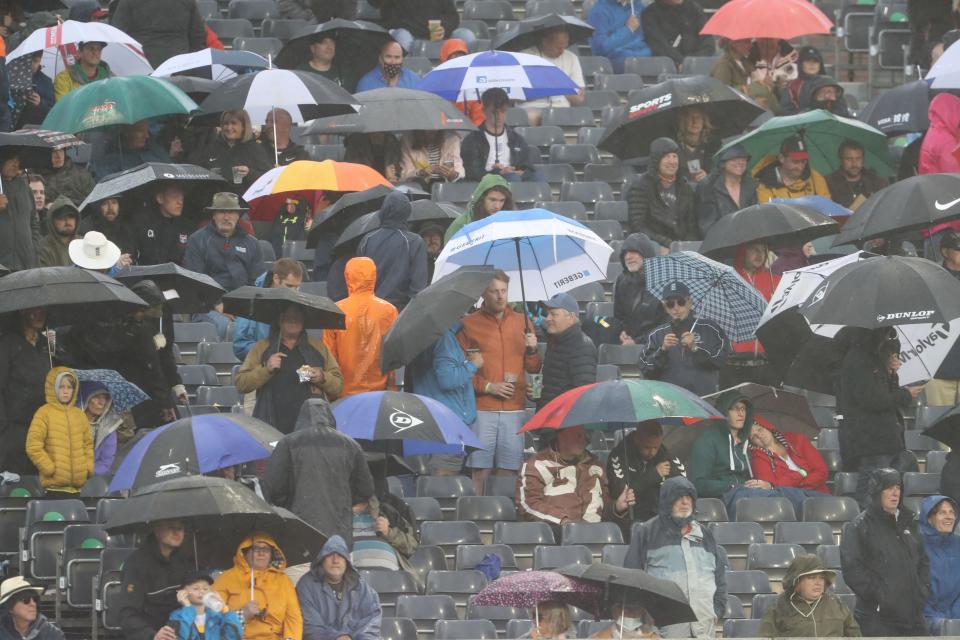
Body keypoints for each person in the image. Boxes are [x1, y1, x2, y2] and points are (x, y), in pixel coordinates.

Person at [459, 270, 541, 495]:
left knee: (510, 469)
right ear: (483, 293)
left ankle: (504, 516)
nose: (500, 296)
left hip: (515, 409)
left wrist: (533, 349)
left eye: (503, 291)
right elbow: (460, 371)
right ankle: (479, 515)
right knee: (480, 469)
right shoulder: (468, 324)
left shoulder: (523, 322)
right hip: (482, 408)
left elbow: (533, 367)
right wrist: (488, 386)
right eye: (494, 291)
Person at [623, 476, 726, 638]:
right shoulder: (646, 532)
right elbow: (630, 583)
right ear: (666, 501)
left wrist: (716, 611)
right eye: (678, 497)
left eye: (689, 497)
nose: (685, 502)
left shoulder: (705, 535)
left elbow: (719, 579)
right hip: (662, 632)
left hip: (704, 631)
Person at [265, 398, 375, 544]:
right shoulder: (351, 445)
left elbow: (273, 488)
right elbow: (365, 490)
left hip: (298, 529)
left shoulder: (287, 443)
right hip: (339, 532)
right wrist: (343, 503)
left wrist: (290, 505)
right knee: (335, 565)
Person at [835, 327, 920, 506]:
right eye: (886, 334)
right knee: (871, 492)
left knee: (890, 493)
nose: (888, 339)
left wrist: (891, 373)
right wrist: (906, 395)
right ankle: (866, 529)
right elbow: (872, 400)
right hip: (870, 441)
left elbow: (886, 394)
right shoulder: (857, 359)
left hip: (888, 438)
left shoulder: (875, 358)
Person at [840, 468, 930, 636]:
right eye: (889, 488)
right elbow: (853, 570)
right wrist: (883, 596)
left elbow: (923, 562)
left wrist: (921, 591)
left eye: (898, 487)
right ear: (876, 491)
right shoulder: (858, 527)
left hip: (913, 615)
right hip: (877, 618)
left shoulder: (909, 523)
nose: (895, 493)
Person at [236, 305, 344, 435]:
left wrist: (322, 377)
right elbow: (241, 384)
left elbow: (338, 385)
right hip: (271, 426)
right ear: (280, 319)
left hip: (311, 429)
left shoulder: (318, 347)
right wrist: (266, 369)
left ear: (304, 320)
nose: (293, 321)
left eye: (298, 317)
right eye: (289, 317)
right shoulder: (262, 347)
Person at [409, 319, 480, 475]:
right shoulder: (444, 337)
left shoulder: (418, 337)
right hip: (450, 422)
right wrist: (473, 364)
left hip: (425, 418)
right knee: (444, 482)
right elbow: (448, 380)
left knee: (426, 481)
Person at [517, 425, 614, 537]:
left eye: (586, 435)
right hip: (555, 536)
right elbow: (528, 504)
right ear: (560, 435)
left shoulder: (596, 466)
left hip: (596, 536)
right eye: (578, 435)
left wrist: (617, 507)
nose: (584, 440)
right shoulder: (535, 466)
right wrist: (562, 521)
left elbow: (605, 505)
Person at [323, 257, 398, 397]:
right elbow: (393, 354)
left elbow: (329, 355)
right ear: (374, 276)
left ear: (347, 276)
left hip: (343, 392)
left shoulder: (335, 311)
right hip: (379, 391)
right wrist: (391, 386)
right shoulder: (389, 310)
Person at [639, 281, 728, 396]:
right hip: (671, 399)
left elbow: (720, 362)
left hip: (704, 398)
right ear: (665, 307)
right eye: (670, 304)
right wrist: (662, 350)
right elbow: (646, 369)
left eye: (680, 302)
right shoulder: (656, 334)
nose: (676, 308)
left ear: (690, 303)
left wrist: (695, 348)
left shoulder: (711, 329)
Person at [212, 533, 302, 640]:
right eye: (255, 549)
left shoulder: (283, 580)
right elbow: (212, 618)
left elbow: (293, 618)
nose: (261, 553)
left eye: (266, 550)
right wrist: (242, 615)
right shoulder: (226, 578)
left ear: (272, 554)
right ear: (244, 552)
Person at [607, 419, 684, 538]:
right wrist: (653, 475)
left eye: (656, 447)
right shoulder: (619, 456)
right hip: (630, 520)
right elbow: (621, 493)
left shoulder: (665, 456)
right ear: (637, 439)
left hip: (661, 517)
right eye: (647, 447)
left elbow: (683, 488)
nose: (652, 452)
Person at [118, 519, 193, 640]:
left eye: (180, 528)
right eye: (171, 527)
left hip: (181, 631)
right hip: (151, 633)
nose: (177, 533)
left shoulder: (185, 560)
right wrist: (152, 635)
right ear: (157, 530)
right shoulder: (136, 563)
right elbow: (127, 613)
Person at [296, 535, 381, 640]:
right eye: (330, 555)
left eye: (340, 555)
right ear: (321, 559)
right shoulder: (306, 585)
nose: (335, 560)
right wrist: (335, 637)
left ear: (346, 561)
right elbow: (309, 626)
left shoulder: (360, 585)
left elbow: (372, 620)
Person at [25, 367, 93, 497]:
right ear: (53, 388)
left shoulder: (79, 415)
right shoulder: (44, 413)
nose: (66, 391)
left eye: (69, 387)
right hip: (54, 489)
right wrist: (49, 468)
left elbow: (88, 444)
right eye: (61, 387)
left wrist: (88, 468)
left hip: (77, 489)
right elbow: (33, 446)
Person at [757, 554, 861, 637]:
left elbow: (855, 636)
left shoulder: (837, 604)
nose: (818, 582)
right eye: (812, 577)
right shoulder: (778, 608)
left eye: (821, 578)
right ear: (797, 581)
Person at [0, 308, 51, 475]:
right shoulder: (7, 343)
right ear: (22, 312)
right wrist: (4, 424)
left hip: (40, 423)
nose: (41, 315)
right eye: (35, 311)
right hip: (13, 426)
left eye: (43, 310)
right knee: (13, 479)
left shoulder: (44, 344)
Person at [356, 191, 427, 310]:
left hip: (370, 312)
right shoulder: (415, 241)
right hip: (400, 314)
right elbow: (417, 289)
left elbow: (358, 281)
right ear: (407, 212)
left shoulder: (367, 240)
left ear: (383, 211)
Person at [723, 241, 779, 387]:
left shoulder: (775, 281)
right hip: (734, 362)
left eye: (763, 250)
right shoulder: (728, 280)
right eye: (754, 250)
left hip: (766, 362)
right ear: (743, 251)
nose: (760, 254)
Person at [184, 192, 264, 292]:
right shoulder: (197, 240)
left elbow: (257, 281)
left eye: (231, 212)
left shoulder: (253, 244)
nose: (226, 217)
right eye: (221, 212)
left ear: (238, 216)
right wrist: (216, 302)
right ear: (213, 215)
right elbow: (195, 280)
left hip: (244, 300)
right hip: (210, 301)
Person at [460, 87, 540, 183]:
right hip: (486, 181)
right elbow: (472, 172)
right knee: (513, 178)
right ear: (484, 110)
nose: (499, 116)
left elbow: (528, 165)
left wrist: (521, 171)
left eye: (503, 111)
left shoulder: (516, 139)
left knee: (538, 178)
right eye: (494, 112)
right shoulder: (472, 140)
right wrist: (497, 172)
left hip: (514, 177)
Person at [626, 138, 696, 246]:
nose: (672, 161)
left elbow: (692, 225)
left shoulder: (685, 188)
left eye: (674, 156)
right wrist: (667, 244)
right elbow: (637, 226)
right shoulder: (641, 186)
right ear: (656, 160)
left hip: (682, 248)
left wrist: (686, 245)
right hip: (652, 246)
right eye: (666, 156)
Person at [233, 259, 305, 360]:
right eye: (289, 286)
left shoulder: (299, 306)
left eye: (297, 287)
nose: (294, 292)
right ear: (276, 278)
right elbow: (240, 346)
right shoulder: (251, 302)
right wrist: (268, 353)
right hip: (258, 368)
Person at [538, 293, 598, 410]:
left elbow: (582, 394)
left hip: (565, 424)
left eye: (554, 314)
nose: (548, 318)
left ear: (570, 318)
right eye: (548, 313)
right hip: (547, 418)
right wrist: (539, 393)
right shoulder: (555, 341)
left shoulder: (582, 346)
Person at [191, 110, 272, 196]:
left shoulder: (255, 148)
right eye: (226, 123)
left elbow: (268, 178)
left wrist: (249, 173)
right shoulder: (213, 147)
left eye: (234, 123)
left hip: (244, 203)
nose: (229, 128)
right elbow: (198, 172)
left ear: (244, 126)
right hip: (216, 202)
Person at [110, 0, 206, 68]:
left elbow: (117, 32)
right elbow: (198, 35)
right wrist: (192, 62)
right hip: (178, 62)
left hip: (141, 59)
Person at [519, 26, 586, 124]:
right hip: (533, 106)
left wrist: (559, 84)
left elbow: (579, 99)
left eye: (565, 46)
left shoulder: (572, 58)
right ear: (545, 42)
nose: (562, 51)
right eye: (558, 47)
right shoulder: (525, 57)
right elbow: (513, 95)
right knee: (532, 117)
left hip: (561, 108)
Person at [612, 233, 667, 347]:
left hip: (657, 345)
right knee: (598, 323)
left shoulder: (663, 281)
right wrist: (622, 332)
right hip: (628, 343)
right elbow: (619, 317)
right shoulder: (622, 281)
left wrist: (638, 342)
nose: (628, 257)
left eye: (633, 251)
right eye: (625, 253)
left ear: (645, 253)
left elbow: (666, 324)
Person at [747, 418, 829, 494]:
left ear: (767, 427)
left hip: (818, 495)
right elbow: (772, 489)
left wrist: (799, 486)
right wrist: (801, 473)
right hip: (789, 503)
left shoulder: (797, 440)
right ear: (752, 442)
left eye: (760, 429)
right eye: (754, 437)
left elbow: (821, 471)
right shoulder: (758, 458)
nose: (759, 436)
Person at [695, 144, 757, 237]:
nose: (740, 162)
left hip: (748, 239)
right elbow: (707, 226)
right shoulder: (708, 187)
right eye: (734, 158)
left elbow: (755, 219)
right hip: (719, 243)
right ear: (723, 163)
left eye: (743, 158)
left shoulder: (750, 186)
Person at [921, 495, 960, 633]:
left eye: (952, 512)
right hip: (925, 616)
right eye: (942, 512)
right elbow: (914, 592)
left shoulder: (958, 544)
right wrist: (941, 621)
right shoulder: (916, 545)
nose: (949, 517)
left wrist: (955, 617)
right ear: (929, 518)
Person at [131, 183, 195, 266]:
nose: (180, 202)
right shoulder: (143, 222)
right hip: (147, 275)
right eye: (174, 196)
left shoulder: (188, 226)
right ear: (160, 198)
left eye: (182, 197)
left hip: (179, 276)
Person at [755, 135, 831, 203]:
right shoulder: (766, 185)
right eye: (795, 162)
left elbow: (828, 207)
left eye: (803, 161)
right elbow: (768, 214)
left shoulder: (815, 177)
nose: (800, 167)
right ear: (781, 158)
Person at [169, 572, 243, 640]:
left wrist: (225, 610)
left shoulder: (217, 616)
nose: (202, 591)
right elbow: (182, 637)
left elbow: (236, 637)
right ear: (182, 592)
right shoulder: (176, 616)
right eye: (196, 588)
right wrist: (188, 608)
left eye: (205, 588)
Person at [0, 148, 40, 271]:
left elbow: (34, 221)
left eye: (17, 159)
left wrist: (33, 249)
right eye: (11, 159)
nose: (16, 163)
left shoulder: (24, 186)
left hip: (26, 263)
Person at [642, 0, 712, 68]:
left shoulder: (694, 9)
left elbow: (707, 41)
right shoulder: (649, 14)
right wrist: (681, 62)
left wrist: (693, 62)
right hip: (668, 67)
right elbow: (659, 45)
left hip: (697, 65)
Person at [587, 0, 652, 74]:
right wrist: (628, 30)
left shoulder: (638, 6)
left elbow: (647, 38)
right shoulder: (599, 10)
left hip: (644, 57)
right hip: (618, 63)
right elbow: (600, 48)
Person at [444, 173, 513, 241]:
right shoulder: (460, 225)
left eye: (502, 201)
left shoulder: (509, 224)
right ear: (481, 199)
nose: (497, 206)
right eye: (492, 200)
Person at [94, 119, 171, 179]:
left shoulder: (154, 149)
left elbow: (168, 169)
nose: (146, 135)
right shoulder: (110, 159)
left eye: (147, 131)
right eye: (141, 131)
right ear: (127, 132)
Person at [368, 0, 461, 49]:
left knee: (465, 35)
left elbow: (453, 16)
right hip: (407, 31)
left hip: (436, 32)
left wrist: (444, 27)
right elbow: (374, 3)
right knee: (402, 37)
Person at [77, 381, 122, 477]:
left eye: (105, 398)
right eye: (96, 397)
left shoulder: (109, 427)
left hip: (91, 478)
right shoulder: (69, 421)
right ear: (85, 398)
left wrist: (86, 473)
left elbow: (106, 462)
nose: (102, 402)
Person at [826, 139, 887, 210]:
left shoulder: (877, 183)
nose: (854, 164)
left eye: (858, 159)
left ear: (863, 159)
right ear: (840, 160)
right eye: (849, 159)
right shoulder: (827, 183)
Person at [439, 39, 484, 125]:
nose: (458, 61)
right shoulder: (434, 86)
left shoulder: (474, 89)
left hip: (468, 135)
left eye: (462, 57)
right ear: (445, 60)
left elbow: (479, 121)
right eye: (454, 57)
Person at [399, 130, 464, 185]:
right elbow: (404, 174)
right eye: (425, 131)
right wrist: (420, 173)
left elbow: (459, 169)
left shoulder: (451, 138)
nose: (430, 133)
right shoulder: (407, 139)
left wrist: (453, 175)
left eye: (433, 131)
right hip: (421, 186)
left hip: (445, 186)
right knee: (418, 182)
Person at [9, 51, 54, 129]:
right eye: (29, 61)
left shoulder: (46, 81)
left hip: (34, 127)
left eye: (36, 61)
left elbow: (52, 110)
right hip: (12, 125)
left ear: (40, 61)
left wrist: (40, 103)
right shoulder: (11, 76)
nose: (31, 64)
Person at [919, 92, 960, 176]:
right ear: (951, 111)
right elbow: (955, 174)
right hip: (945, 187)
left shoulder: (933, 132)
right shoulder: (947, 140)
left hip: (932, 185)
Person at [355, 41, 421, 92]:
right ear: (380, 59)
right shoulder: (366, 84)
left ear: (402, 60)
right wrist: (391, 83)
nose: (393, 62)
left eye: (397, 57)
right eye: (388, 57)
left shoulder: (413, 79)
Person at [674, 107, 716, 183]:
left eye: (698, 117)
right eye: (690, 117)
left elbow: (718, 173)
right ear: (683, 121)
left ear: (704, 121)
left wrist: (708, 176)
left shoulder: (711, 147)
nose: (695, 121)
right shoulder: (674, 148)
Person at [36, 196, 80, 268]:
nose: (67, 221)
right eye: (61, 217)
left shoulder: (84, 244)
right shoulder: (43, 247)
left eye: (71, 216)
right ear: (52, 221)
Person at [783, 45, 825, 112]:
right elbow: (786, 111)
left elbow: (841, 112)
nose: (812, 64)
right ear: (801, 64)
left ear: (820, 65)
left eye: (815, 61)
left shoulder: (829, 85)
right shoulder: (792, 87)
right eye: (808, 61)